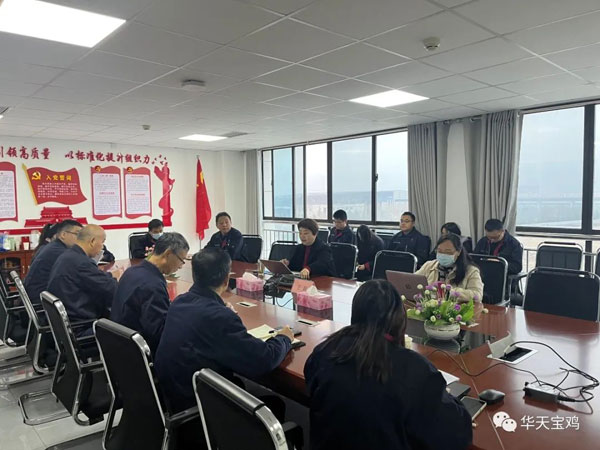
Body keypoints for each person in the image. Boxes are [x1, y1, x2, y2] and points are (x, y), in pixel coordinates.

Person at [304, 280, 472, 450]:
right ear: (399, 319)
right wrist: (445, 395)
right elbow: (457, 433)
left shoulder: (325, 350)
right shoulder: (416, 370)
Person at [154, 248, 294, 414]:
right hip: (203, 406)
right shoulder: (219, 318)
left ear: (195, 275)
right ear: (227, 279)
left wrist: (221, 309)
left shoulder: (179, 302)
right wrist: (284, 338)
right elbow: (264, 360)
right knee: (275, 404)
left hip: (176, 396)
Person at [111, 233, 189, 355]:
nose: (180, 266)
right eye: (181, 260)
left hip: (119, 343)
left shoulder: (132, 271)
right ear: (168, 254)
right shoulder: (153, 284)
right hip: (138, 351)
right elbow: (159, 332)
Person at [47, 225, 119, 336]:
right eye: (102, 242)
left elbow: (98, 279)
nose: (102, 247)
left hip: (69, 323)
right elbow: (112, 290)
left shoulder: (69, 255)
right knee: (130, 322)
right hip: (82, 327)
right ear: (92, 241)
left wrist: (109, 277)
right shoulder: (82, 262)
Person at [25, 220, 83, 305]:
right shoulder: (59, 251)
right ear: (63, 235)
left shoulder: (53, 247)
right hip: (41, 300)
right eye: (77, 234)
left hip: (38, 295)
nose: (81, 239)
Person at [416, 233, 483, 302]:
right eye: (439, 251)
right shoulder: (429, 265)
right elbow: (413, 282)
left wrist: (449, 292)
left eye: (448, 252)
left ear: (458, 252)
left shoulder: (471, 270)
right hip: (428, 305)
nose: (443, 255)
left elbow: (477, 295)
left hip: (456, 307)